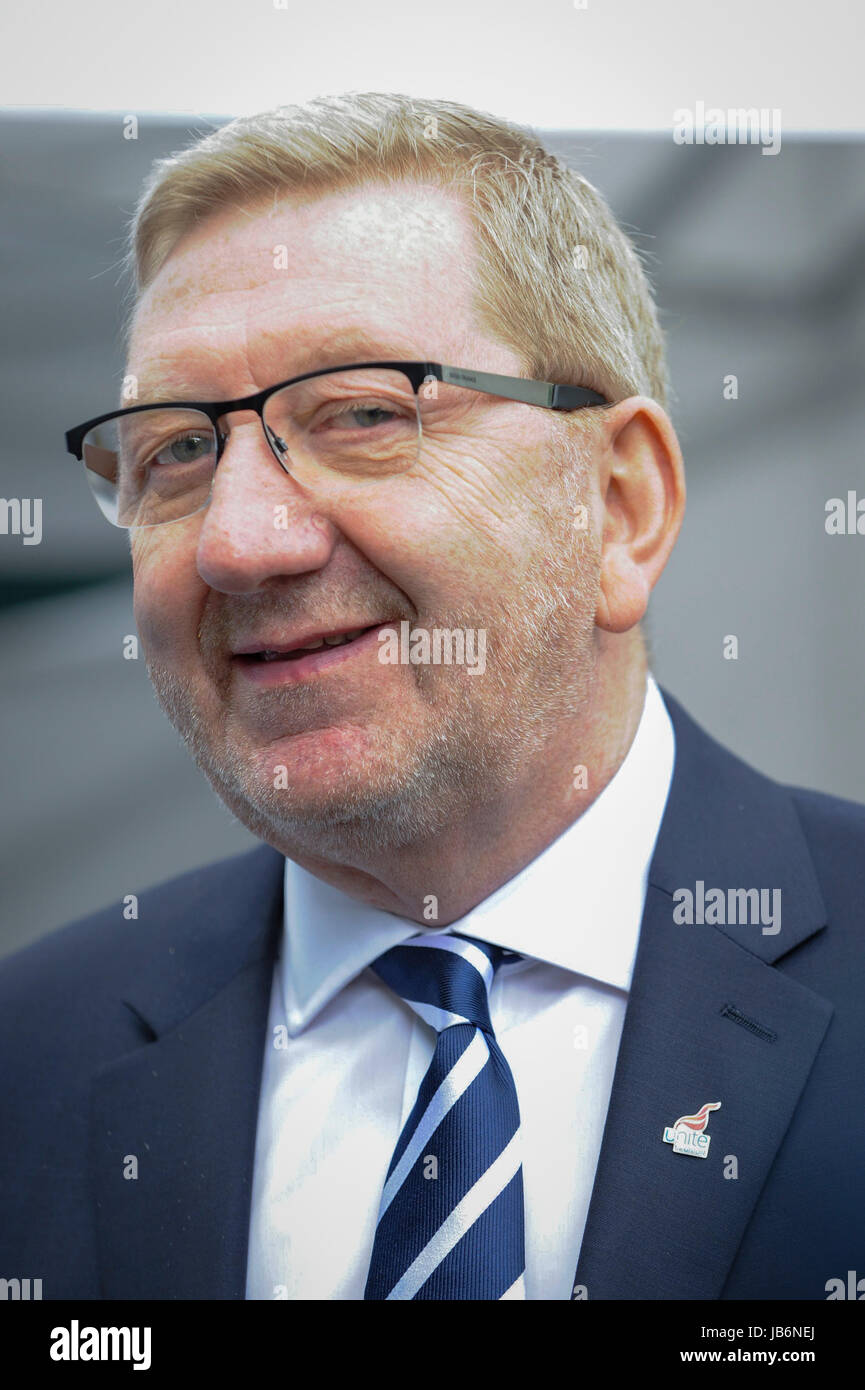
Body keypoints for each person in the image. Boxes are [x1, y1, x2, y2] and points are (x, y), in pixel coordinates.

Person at [1, 91, 862, 1302]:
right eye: (177, 452)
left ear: (619, 508)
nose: (240, 543)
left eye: (361, 413)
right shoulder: (27, 1057)